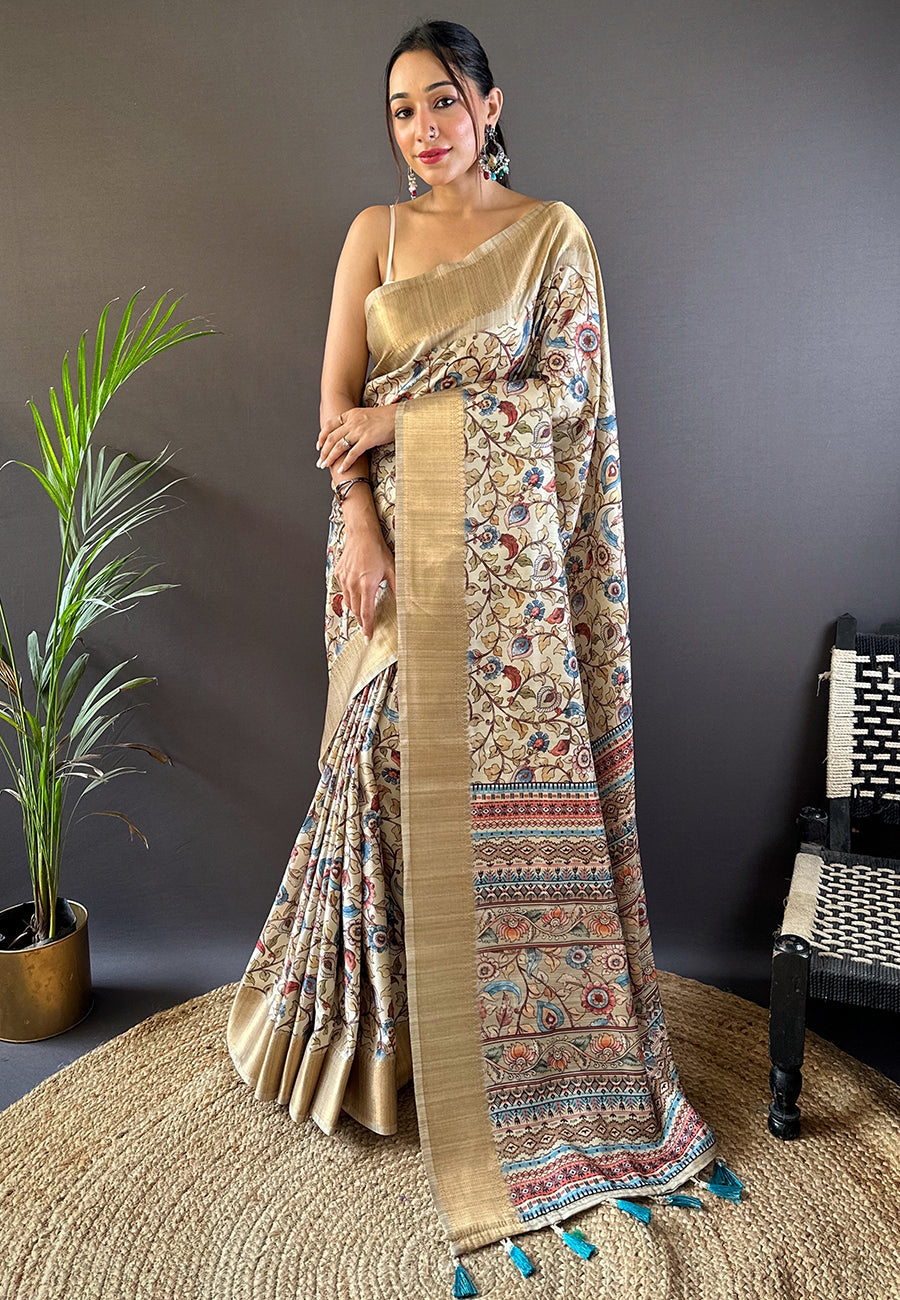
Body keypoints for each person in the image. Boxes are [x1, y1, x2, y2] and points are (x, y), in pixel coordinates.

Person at [226, 19, 742, 1294]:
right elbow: (335, 407)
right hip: (389, 557)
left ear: (491, 105)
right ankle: (383, 1057)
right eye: (402, 109)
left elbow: (569, 396)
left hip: (508, 580)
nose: (424, 128)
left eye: (443, 100)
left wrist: (405, 418)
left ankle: (505, 1065)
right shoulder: (374, 234)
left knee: (480, 801)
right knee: (382, 778)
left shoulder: (552, 236)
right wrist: (358, 522)